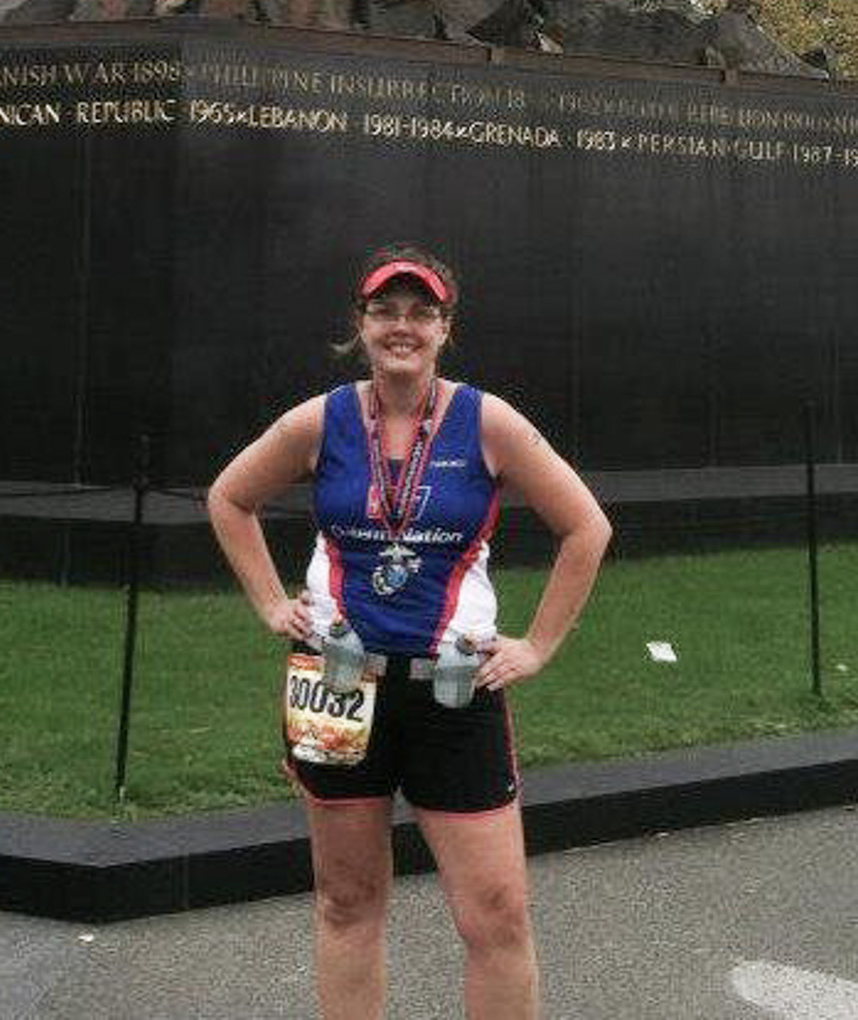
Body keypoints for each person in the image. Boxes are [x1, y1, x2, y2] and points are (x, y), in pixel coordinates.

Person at [208, 244, 612, 1020]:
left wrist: (538, 645)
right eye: (385, 311)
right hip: (338, 684)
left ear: (444, 327)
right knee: (346, 902)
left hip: (454, 691)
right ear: (360, 324)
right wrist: (268, 604)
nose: (403, 326)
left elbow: (586, 528)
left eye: (420, 312)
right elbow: (230, 498)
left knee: (496, 914)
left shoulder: (485, 421)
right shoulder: (320, 421)